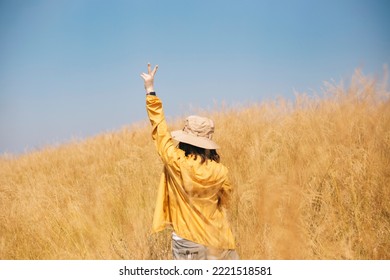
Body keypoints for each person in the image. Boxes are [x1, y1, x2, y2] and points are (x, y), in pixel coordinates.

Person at [140, 63, 239, 260]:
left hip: (187, 242)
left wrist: (150, 89)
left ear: (186, 140)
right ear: (208, 143)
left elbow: (159, 130)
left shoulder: (176, 161)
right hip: (219, 239)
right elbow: (225, 202)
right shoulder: (221, 172)